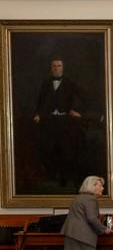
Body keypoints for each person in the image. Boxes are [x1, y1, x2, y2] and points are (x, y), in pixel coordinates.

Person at [33, 57, 87, 186]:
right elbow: (40, 101)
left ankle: (64, 177)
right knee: (49, 148)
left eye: (59, 66)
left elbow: (84, 97)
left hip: (65, 121)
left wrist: (76, 111)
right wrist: (38, 114)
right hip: (50, 120)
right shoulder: (46, 83)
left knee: (66, 149)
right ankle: (52, 175)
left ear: (63, 68)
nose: (56, 68)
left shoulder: (69, 83)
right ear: (51, 68)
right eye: (54, 66)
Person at [62, 175, 110, 250]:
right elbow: (91, 219)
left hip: (71, 234)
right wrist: (104, 229)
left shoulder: (78, 197)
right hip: (83, 237)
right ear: (92, 186)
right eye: (100, 186)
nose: (102, 188)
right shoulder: (91, 199)